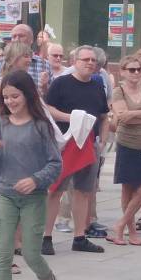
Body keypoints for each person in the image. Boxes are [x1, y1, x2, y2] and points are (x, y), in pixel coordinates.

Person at [0, 70, 61, 280]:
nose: (10, 102)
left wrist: (36, 180)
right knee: (2, 255)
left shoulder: (41, 126)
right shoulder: (0, 124)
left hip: (33, 198)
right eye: (5, 98)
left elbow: (55, 163)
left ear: (27, 95)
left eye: (15, 96)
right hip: (5, 193)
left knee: (29, 252)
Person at [45, 46, 110, 253]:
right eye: (85, 60)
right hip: (65, 143)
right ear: (75, 61)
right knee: (56, 189)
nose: (90, 63)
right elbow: (48, 109)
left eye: (93, 60)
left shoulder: (97, 85)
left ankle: (79, 236)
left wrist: (102, 142)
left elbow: (103, 115)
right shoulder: (61, 83)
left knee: (84, 191)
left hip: (89, 144)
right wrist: (72, 117)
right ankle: (45, 237)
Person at [107, 56, 141, 246]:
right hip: (127, 143)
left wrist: (131, 114)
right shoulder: (118, 92)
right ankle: (131, 230)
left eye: (139, 69)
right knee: (127, 187)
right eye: (131, 70)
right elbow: (123, 119)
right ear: (123, 72)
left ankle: (120, 224)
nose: (136, 73)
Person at [0, 24, 52, 92]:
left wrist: (45, 87)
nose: (17, 39)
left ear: (31, 40)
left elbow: (52, 96)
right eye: (14, 36)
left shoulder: (44, 64)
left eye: (21, 36)